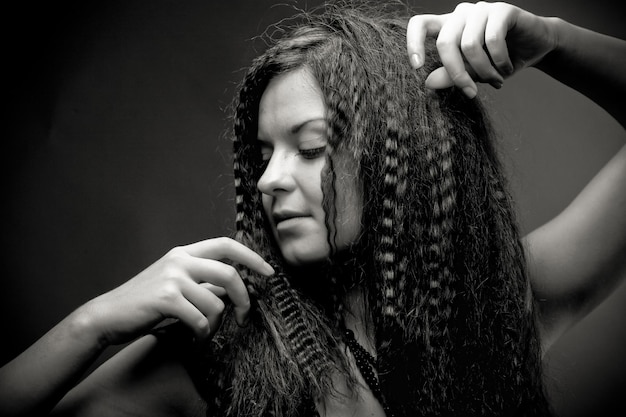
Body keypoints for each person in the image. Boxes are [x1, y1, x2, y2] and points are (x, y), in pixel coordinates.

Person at [1, 1, 625, 416]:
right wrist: (90, 326)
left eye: (309, 147)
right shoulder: (222, 348)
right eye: (262, 154)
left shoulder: (498, 309)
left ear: (397, 157)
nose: (270, 180)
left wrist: (554, 42)